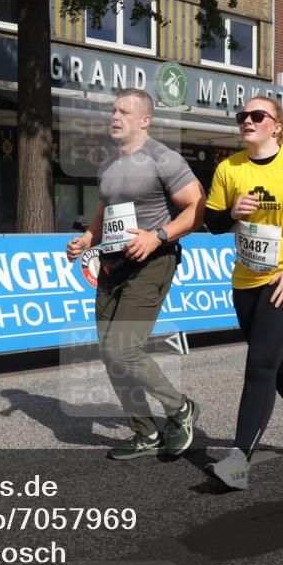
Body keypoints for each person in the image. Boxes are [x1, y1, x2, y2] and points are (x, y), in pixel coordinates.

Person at [202, 96, 283, 490]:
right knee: (276, 364)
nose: (247, 120)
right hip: (247, 280)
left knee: (259, 363)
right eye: (242, 115)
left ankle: (237, 461)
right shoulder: (229, 168)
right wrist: (231, 214)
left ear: (277, 125)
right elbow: (211, 223)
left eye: (257, 115)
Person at [66, 89, 206, 460]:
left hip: (153, 260)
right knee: (111, 354)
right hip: (112, 265)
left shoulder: (164, 158)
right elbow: (103, 216)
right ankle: (145, 433)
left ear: (144, 120)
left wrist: (158, 236)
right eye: (112, 111)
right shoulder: (108, 166)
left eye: (123, 111)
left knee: (124, 347)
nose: (114, 117)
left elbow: (196, 208)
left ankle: (179, 409)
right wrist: (86, 239)